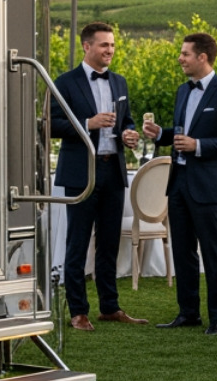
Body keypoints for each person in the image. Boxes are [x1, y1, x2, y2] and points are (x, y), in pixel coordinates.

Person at [141, 32, 217, 335]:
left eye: (185, 54)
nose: (180, 58)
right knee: (182, 251)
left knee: (213, 253)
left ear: (203, 57)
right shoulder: (182, 91)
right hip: (179, 182)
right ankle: (188, 313)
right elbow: (181, 132)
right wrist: (161, 134)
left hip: (208, 185)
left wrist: (197, 145)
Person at [50, 22, 147, 331]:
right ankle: (78, 311)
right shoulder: (65, 82)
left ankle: (110, 307)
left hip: (113, 169)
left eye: (113, 45)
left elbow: (127, 120)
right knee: (78, 243)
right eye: (104, 45)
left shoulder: (119, 82)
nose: (110, 50)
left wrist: (129, 133)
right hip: (81, 172)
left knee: (109, 243)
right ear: (87, 46)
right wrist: (87, 123)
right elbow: (49, 124)